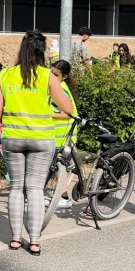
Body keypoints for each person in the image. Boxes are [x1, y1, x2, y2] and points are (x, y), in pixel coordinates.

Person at [0, 30, 73, 256]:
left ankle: (16, 238)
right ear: (42, 51)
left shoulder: (5, 75)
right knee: (35, 189)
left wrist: (11, 120)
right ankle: (34, 241)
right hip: (41, 138)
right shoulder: (47, 76)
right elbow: (67, 108)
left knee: (16, 187)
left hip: (13, 138)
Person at [50, 59, 79, 210]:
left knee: (59, 168)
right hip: (56, 135)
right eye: (51, 72)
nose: (52, 76)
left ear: (64, 76)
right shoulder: (56, 87)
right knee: (55, 168)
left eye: (56, 74)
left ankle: (64, 197)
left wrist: (48, 115)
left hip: (65, 135)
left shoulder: (61, 88)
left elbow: (67, 114)